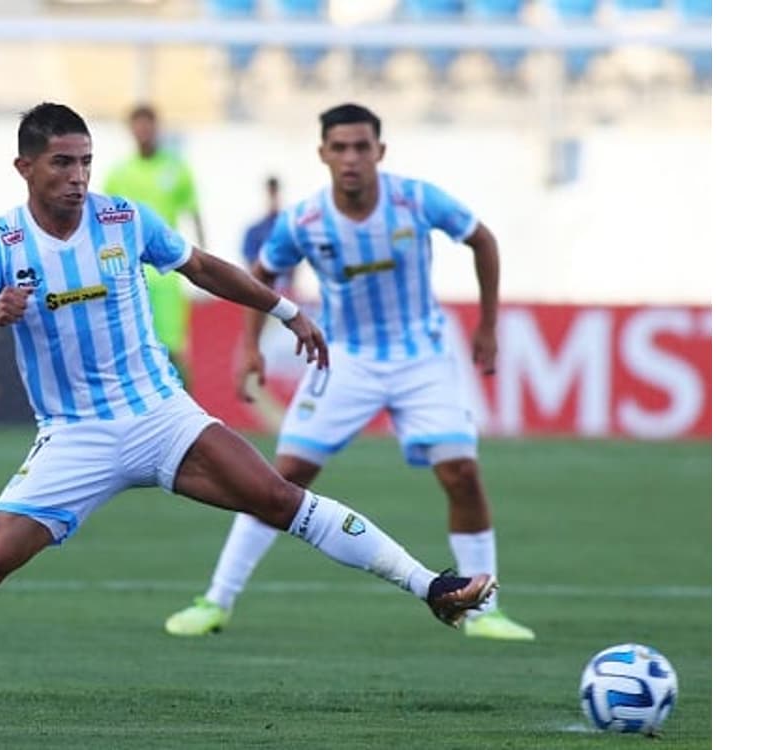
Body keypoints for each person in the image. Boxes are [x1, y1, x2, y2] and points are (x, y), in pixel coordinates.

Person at [0, 102, 496, 693]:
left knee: (281, 498)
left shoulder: (124, 218)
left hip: (160, 416)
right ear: (25, 168)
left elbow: (201, 267)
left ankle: (432, 586)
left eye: (85, 162)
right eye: (62, 163)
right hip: (75, 433)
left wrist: (284, 310)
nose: (78, 177)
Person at [163, 103, 536, 642]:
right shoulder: (306, 220)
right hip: (345, 359)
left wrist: (488, 326)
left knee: (461, 472)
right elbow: (263, 272)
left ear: (380, 152)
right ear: (323, 154)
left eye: (362, 147)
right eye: (340, 147)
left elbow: (483, 240)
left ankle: (486, 611)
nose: (352, 158)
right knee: (280, 479)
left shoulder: (415, 199)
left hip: (421, 356)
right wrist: (250, 345)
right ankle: (215, 600)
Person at [102, 103, 205, 386]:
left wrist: (203, 262)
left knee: (174, 348)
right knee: (131, 348)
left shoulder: (175, 168)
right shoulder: (119, 173)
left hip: (168, 272)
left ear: (157, 128)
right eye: (138, 125)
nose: (144, 131)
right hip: (128, 271)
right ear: (131, 130)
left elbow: (193, 212)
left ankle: (188, 415)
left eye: (149, 124)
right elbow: (103, 223)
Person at [241, 176, 293, 295]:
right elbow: (250, 263)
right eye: (271, 192)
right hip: (261, 291)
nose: (273, 197)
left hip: (286, 292)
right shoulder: (254, 231)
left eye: (275, 192)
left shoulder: (289, 229)